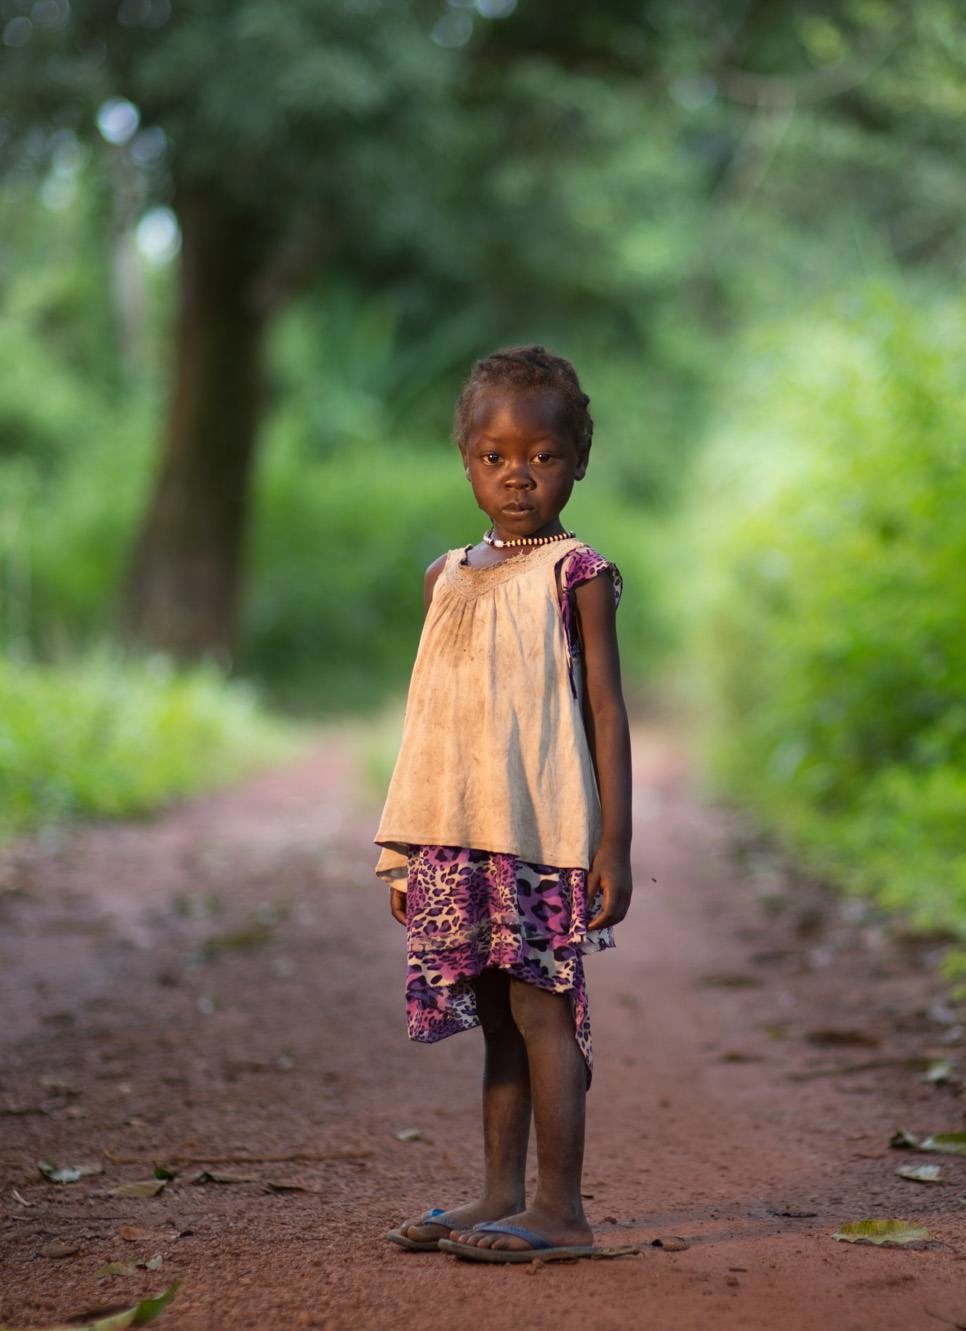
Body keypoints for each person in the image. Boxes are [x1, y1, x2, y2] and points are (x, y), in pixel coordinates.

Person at [372, 344, 632, 1263]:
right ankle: (498, 1193)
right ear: (466, 460)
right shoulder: (446, 575)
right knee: (496, 1015)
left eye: (543, 456)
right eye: (495, 456)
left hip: (540, 836)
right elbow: (428, 716)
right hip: (454, 836)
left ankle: (562, 1212)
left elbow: (606, 710)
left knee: (543, 1011)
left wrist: (615, 844)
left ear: (578, 460)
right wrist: (402, 849)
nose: (519, 475)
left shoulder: (578, 575)